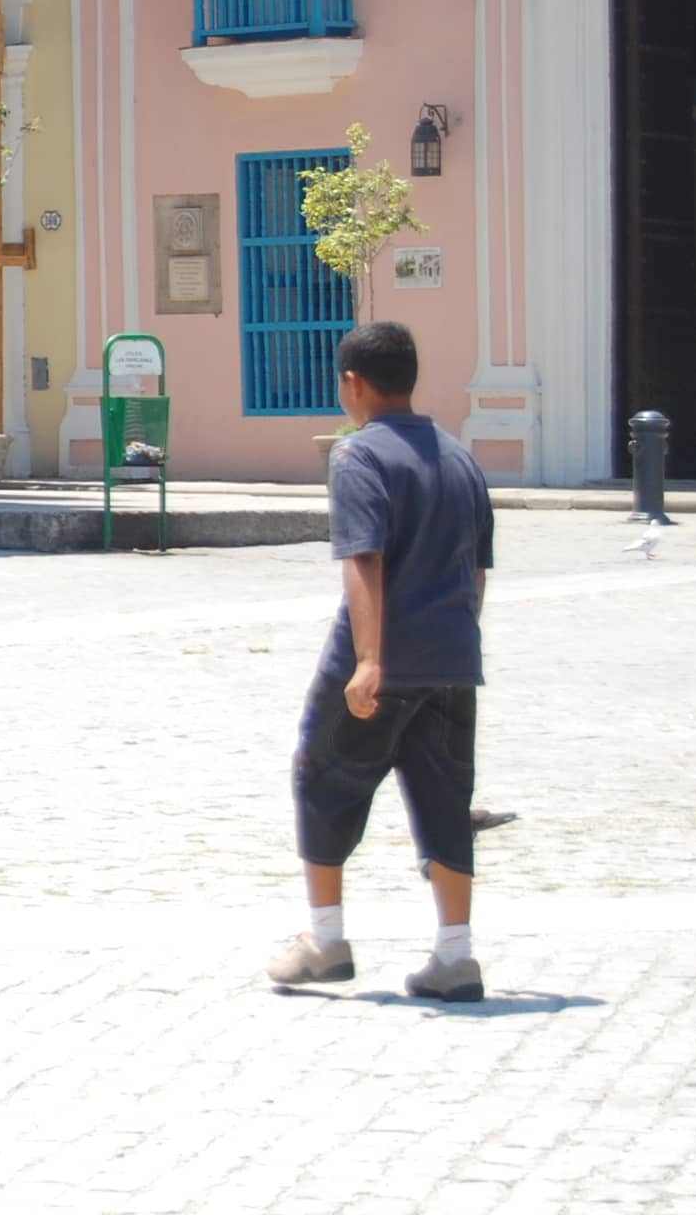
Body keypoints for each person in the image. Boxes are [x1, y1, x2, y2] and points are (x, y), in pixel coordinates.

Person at [267, 321, 494, 1002]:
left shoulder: (357, 457)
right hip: (452, 659)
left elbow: (363, 559)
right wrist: (454, 640)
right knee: (445, 800)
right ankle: (456, 954)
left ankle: (326, 941)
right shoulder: (461, 458)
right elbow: (477, 571)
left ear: (353, 384)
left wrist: (368, 662)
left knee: (322, 776)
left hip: (379, 660)